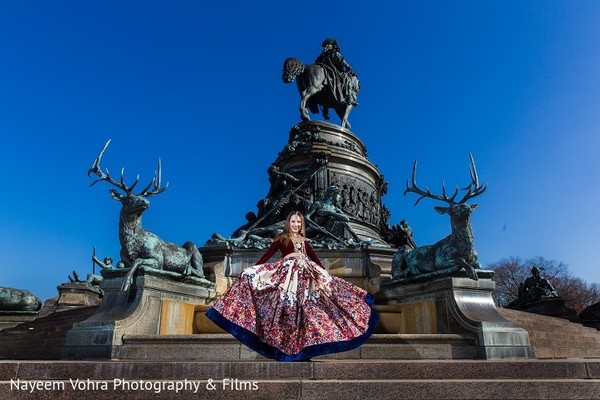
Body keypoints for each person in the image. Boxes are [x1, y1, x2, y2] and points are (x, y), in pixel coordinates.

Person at [206, 211, 379, 361]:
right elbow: (267, 256)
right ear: (288, 223)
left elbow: (314, 258)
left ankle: (303, 348)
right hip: (288, 275)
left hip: (307, 276)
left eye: (298, 222)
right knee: (289, 310)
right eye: (293, 221)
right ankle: (286, 347)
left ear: (302, 224)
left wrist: (323, 272)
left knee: (306, 311)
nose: (296, 224)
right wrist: (253, 269)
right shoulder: (281, 239)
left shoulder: (304, 241)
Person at [314, 38, 359, 107]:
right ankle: (350, 97)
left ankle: (348, 97)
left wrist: (347, 70)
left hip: (332, 73)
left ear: (332, 46)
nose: (325, 47)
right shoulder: (333, 55)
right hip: (332, 73)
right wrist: (348, 69)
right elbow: (347, 66)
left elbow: (345, 66)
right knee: (348, 81)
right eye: (325, 46)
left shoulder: (325, 57)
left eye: (327, 45)